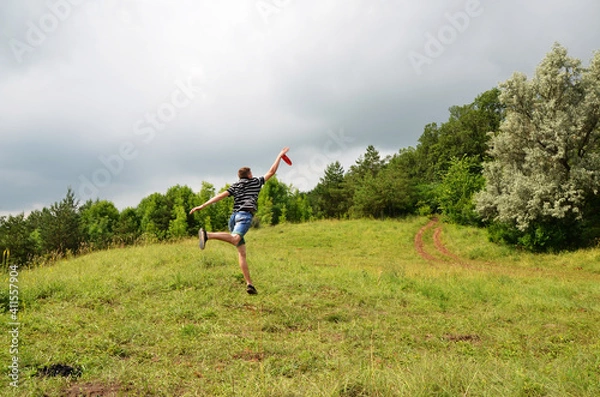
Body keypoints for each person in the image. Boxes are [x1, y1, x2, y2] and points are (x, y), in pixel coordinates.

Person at [189, 147, 290, 295]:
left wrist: (203, 205)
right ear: (248, 175)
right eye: (251, 173)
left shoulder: (235, 186)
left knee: (241, 252)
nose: (253, 175)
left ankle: (250, 284)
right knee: (236, 239)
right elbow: (272, 171)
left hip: (233, 218)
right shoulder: (255, 182)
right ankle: (207, 235)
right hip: (244, 216)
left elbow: (220, 196)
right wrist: (279, 156)